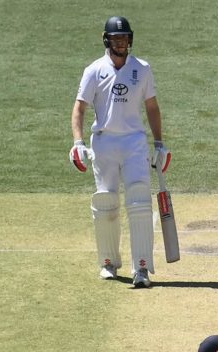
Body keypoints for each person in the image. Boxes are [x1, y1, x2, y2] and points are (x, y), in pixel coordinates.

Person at [71, 16, 171, 288]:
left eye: (124, 38)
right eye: (116, 39)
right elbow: (79, 107)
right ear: (107, 40)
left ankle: (142, 268)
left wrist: (159, 143)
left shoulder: (142, 68)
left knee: (139, 201)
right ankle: (108, 262)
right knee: (106, 202)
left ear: (130, 40)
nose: (121, 43)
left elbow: (152, 107)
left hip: (134, 143)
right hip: (104, 143)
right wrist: (78, 143)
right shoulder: (94, 70)